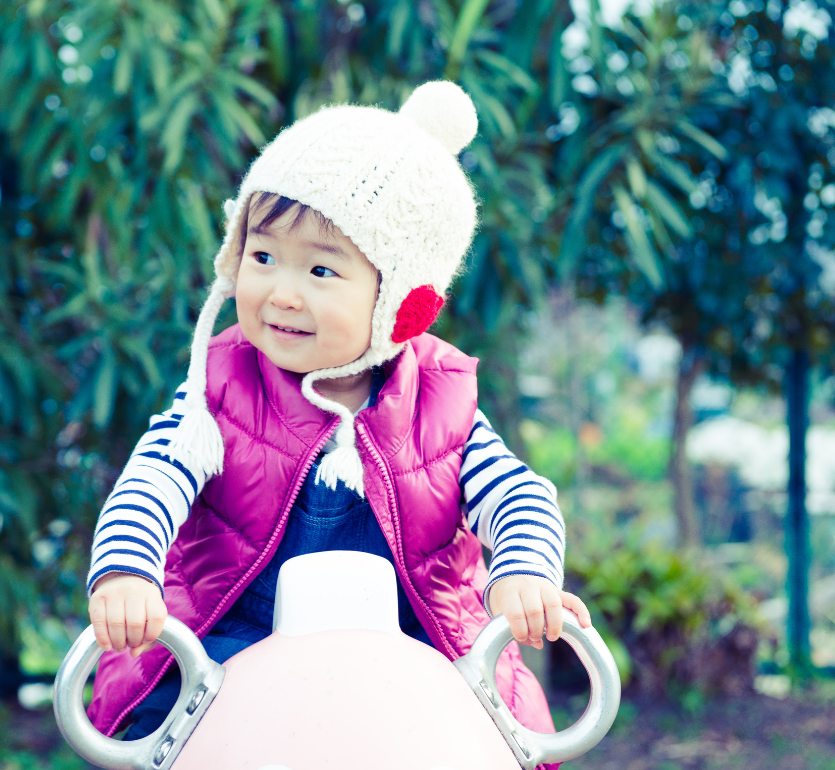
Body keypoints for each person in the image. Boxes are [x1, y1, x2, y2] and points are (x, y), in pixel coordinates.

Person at [83, 81, 591, 765]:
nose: (281, 292)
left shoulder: (441, 404)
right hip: (237, 638)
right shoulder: (219, 384)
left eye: (322, 269)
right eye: (262, 258)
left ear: (402, 304)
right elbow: (154, 476)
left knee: (483, 737)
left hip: (417, 649)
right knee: (169, 732)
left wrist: (524, 572)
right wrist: (125, 573)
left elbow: (518, 493)